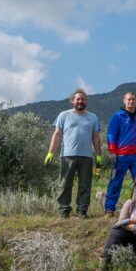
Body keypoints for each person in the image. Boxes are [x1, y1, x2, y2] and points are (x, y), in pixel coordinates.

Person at [44, 88, 102, 218]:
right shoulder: (64, 115)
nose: (80, 101)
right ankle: (64, 211)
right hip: (67, 156)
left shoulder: (93, 117)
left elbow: (96, 137)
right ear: (72, 101)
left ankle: (82, 211)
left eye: (83, 99)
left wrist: (98, 155)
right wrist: (50, 153)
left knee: (85, 185)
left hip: (87, 156)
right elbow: (57, 134)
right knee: (65, 184)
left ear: (86, 101)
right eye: (78, 99)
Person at [97, 180, 136, 271]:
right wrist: (134, 227)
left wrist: (129, 221)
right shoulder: (130, 202)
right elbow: (120, 223)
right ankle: (104, 262)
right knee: (116, 230)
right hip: (128, 236)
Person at [104, 92, 136, 217]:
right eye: (129, 99)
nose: (131, 102)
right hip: (121, 157)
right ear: (124, 100)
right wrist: (112, 151)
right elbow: (111, 135)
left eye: (133, 99)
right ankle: (109, 209)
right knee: (115, 182)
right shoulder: (117, 116)